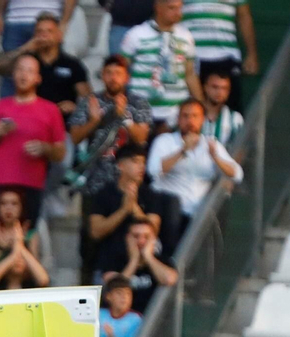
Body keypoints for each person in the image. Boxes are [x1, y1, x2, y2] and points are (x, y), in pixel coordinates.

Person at [0, 54, 66, 223]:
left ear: (38, 78)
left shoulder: (51, 110)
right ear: (13, 74)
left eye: (30, 71)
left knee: (27, 239)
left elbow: (60, 153)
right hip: (0, 184)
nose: (24, 75)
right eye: (20, 70)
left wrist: (45, 148)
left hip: (31, 186)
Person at [146, 98, 244, 253]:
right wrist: (182, 151)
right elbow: (153, 171)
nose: (190, 121)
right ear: (178, 119)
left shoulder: (211, 144)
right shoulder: (164, 141)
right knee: (172, 210)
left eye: (195, 116)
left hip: (197, 211)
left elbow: (237, 174)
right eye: (185, 116)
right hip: (168, 209)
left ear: (202, 120)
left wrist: (216, 158)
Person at [67, 54, 152, 197]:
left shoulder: (139, 103)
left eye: (118, 73)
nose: (113, 78)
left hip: (127, 181)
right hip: (94, 180)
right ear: (102, 76)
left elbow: (141, 138)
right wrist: (93, 121)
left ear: (127, 78)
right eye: (108, 73)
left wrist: (124, 116)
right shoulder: (90, 101)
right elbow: (75, 137)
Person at [120, 0, 204, 131]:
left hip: (174, 113)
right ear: (158, 7)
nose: (178, 13)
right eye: (172, 8)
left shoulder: (186, 37)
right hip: (140, 111)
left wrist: (200, 104)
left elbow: (190, 75)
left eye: (179, 8)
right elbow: (122, 72)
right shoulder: (136, 35)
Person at [0, 12, 88, 118]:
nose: (44, 35)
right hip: (28, 120)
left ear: (59, 35)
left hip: (62, 122)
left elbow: (87, 98)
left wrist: (76, 107)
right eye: (39, 31)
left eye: (49, 31)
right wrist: (25, 48)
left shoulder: (72, 64)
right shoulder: (26, 61)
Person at [88, 143, 162, 276]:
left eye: (143, 162)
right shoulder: (104, 194)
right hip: (109, 265)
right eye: (135, 162)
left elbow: (154, 230)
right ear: (120, 166)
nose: (141, 167)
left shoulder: (150, 194)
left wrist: (134, 207)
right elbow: (96, 231)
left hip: (142, 268)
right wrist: (123, 210)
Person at [182, 0, 258, 110]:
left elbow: (244, 16)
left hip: (227, 56)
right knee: (193, 111)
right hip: (192, 58)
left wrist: (252, 54)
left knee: (231, 110)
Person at [0, 186, 50, 291]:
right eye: (3, 203)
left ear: (22, 207)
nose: (8, 208)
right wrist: (1, 248)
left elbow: (41, 277)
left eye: (14, 204)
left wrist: (19, 245)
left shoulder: (30, 235)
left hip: (25, 285)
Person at [106, 217, 176, 316]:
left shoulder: (163, 260)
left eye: (146, 237)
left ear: (154, 239)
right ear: (127, 238)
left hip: (154, 321)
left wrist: (148, 257)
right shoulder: (115, 260)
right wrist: (134, 260)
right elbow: (113, 287)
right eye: (136, 236)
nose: (141, 241)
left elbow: (169, 279)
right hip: (123, 322)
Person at [0, 0, 76, 56]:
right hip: (15, 20)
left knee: (47, 70)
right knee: (11, 68)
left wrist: (64, 22)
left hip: (49, 21)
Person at [199, 69, 242, 143]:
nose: (219, 92)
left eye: (224, 88)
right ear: (205, 87)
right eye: (215, 87)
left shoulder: (235, 119)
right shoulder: (192, 114)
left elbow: (240, 150)